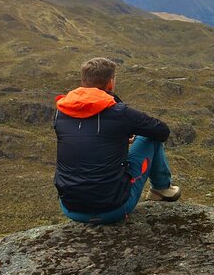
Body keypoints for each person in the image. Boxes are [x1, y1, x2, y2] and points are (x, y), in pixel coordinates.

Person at [54, 57, 181, 224]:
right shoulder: (119, 113)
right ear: (111, 83)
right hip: (114, 209)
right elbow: (161, 132)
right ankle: (162, 189)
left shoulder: (61, 112)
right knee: (150, 136)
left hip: (70, 208)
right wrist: (123, 131)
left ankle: (161, 189)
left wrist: (118, 138)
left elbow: (84, 141)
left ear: (82, 81)